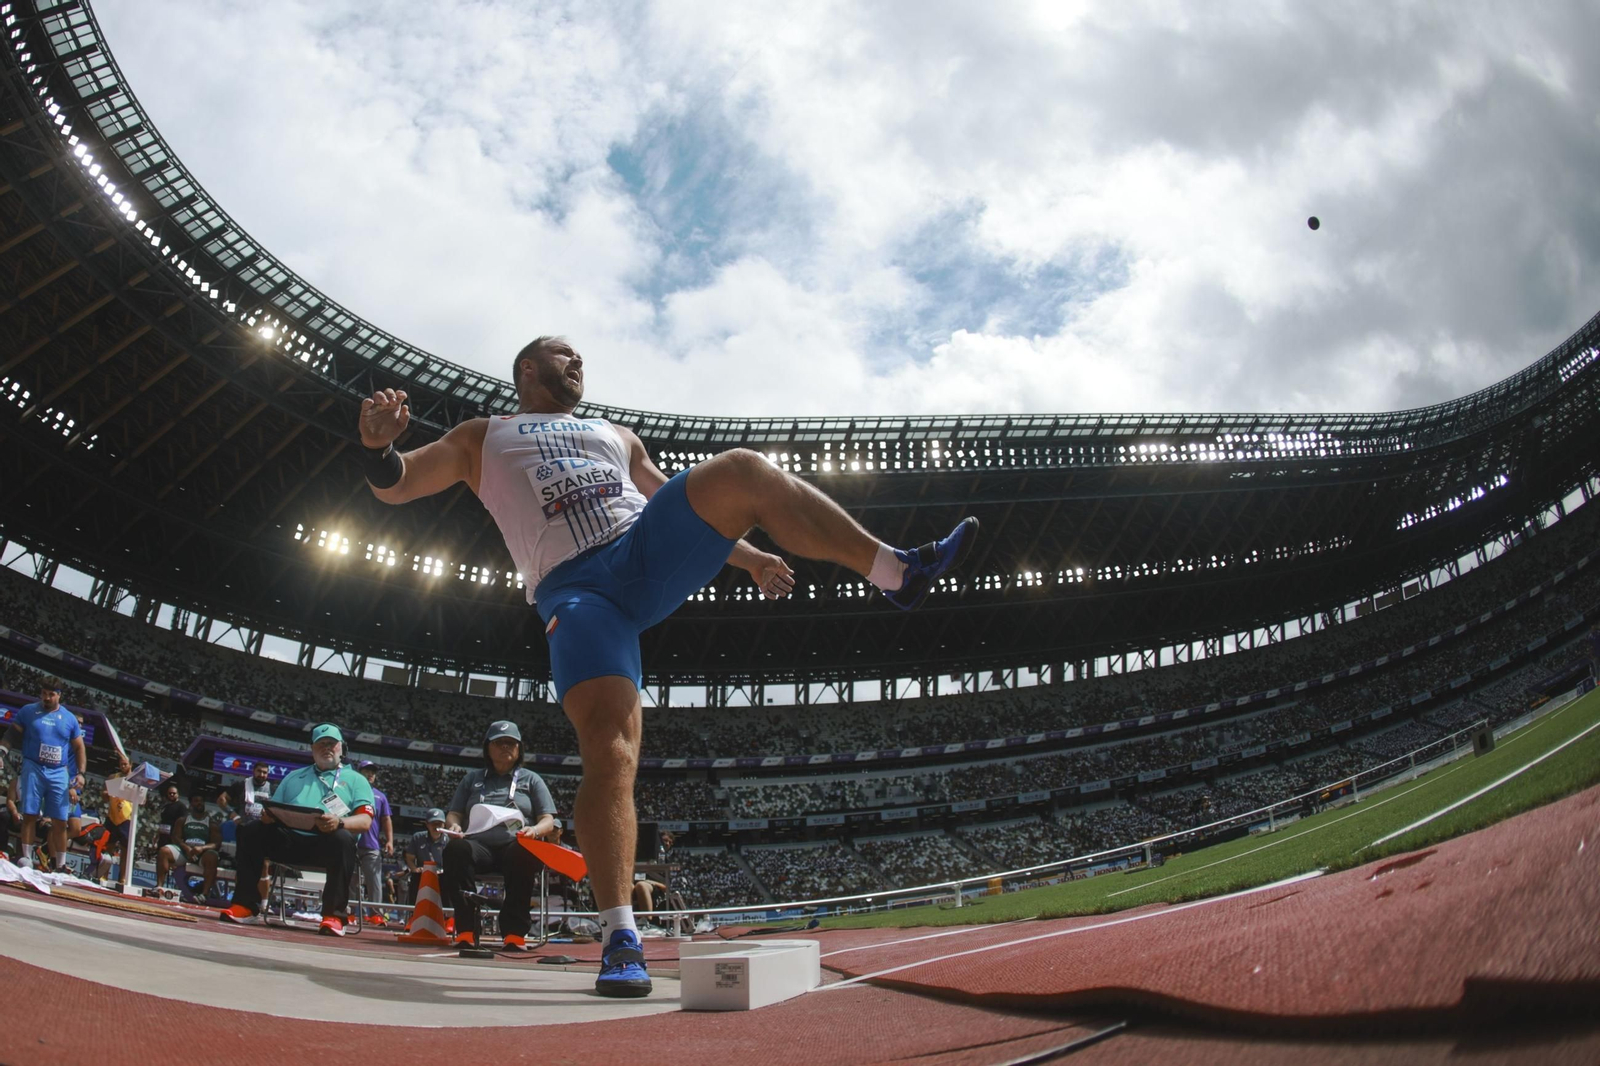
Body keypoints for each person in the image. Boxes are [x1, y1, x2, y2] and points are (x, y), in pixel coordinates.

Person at [359, 337, 978, 995]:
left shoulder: (616, 436)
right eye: (565, 355)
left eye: (581, 356)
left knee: (742, 470)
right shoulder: (482, 436)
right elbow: (399, 483)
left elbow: (671, 497)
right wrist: (376, 446)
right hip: (577, 589)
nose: (579, 362)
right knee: (611, 751)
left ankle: (896, 571)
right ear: (528, 369)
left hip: (643, 549)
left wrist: (751, 558)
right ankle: (621, 936)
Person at [219, 724, 375, 936]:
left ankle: (334, 916)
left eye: (332, 743)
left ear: (342, 748)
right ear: (312, 748)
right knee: (251, 830)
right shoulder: (294, 776)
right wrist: (268, 817)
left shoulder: (357, 780)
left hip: (328, 844)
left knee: (342, 838)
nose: (326, 747)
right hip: (289, 841)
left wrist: (339, 822)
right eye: (321, 744)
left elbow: (365, 821)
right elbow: (274, 809)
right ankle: (245, 905)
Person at [441, 721, 557, 952]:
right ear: (488, 748)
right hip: (478, 846)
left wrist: (534, 831)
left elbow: (548, 819)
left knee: (524, 852)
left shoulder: (531, 779)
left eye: (511, 743)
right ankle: (466, 930)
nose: (505, 747)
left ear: (519, 749)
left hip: (515, 845)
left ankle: (514, 933)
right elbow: (455, 813)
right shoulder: (472, 779)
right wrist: (453, 826)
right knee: (455, 850)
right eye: (499, 742)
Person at [0, 677, 87, 872]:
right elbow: (11, 734)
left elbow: (79, 747)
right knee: (30, 814)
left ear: (59, 695)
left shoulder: (69, 719)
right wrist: (1, 752)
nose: (46, 698)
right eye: (44, 693)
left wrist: (81, 773)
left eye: (51, 694)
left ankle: (61, 864)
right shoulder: (28, 711)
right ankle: (26, 857)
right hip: (33, 767)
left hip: (59, 772)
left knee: (60, 820)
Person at [349, 761, 394, 925]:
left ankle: (376, 914)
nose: (370, 774)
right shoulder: (351, 791)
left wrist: (390, 841)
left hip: (371, 846)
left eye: (373, 772)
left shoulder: (380, 796)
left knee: (374, 882)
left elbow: (386, 819)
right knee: (350, 881)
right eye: (367, 771)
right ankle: (349, 913)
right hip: (351, 843)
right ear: (359, 772)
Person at [167, 789, 221, 903]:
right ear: (191, 804)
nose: (199, 803)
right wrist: (186, 848)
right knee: (164, 851)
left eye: (201, 801)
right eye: (196, 801)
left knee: (212, 856)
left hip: (202, 855)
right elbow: (175, 837)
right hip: (185, 852)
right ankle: (159, 888)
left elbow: (216, 843)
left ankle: (204, 895)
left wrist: (202, 848)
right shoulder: (183, 820)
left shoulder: (211, 822)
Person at [403, 808, 449, 904]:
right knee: (415, 878)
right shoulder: (418, 837)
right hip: (423, 874)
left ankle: (447, 911)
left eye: (439, 823)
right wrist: (414, 869)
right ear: (427, 824)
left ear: (444, 825)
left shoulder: (450, 840)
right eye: (433, 823)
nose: (436, 826)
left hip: (443, 875)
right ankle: (414, 910)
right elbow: (409, 857)